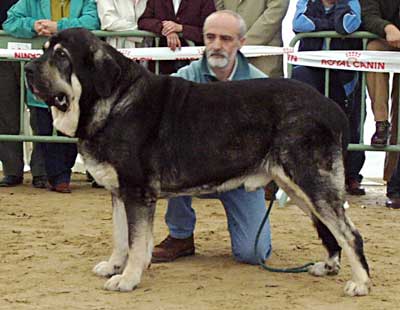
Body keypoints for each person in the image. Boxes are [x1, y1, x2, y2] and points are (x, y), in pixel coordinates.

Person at [152, 10, 271, 265]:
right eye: (210, 37)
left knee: (254, 254)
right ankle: (180, 235)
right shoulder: (185, 78)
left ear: (242, 43)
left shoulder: (260, 85)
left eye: (226, 39)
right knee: (170, 160)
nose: (217, 45)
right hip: (192, 173)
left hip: (241, 178)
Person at [3, 0, 100, 193]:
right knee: (43, 124)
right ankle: (57, 177)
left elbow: (92, 23)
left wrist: (59, 27)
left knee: (72, 125)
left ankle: (61, 174)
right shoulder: (31, 1)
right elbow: (10, 22)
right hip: (43, 73)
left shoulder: (86, 1)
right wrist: (33, 25)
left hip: (72, 74)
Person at [291, 0, 366, 196]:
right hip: (310, 69)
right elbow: (299, 24)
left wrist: (322, 22)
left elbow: (348, 25)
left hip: (344, 73)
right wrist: (331, 22)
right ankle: (305, 174)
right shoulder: (305, 2)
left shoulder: (352, 2)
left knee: (349, 121)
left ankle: (351, 175)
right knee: (306, 121)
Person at [0, 0, 47, 188]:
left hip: (40, 53)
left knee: (40, 115)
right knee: (6, 116)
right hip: (4, 51)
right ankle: (11, 170)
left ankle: (41, 171)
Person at [360, 0, 400, 207]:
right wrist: (387, 27)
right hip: (385, 41)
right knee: (373, 50)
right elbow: (367, 15)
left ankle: (394, 184)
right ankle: (381, 122)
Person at [215, 0, 289, 78]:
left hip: (264, 54)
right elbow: (219, 9)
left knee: (264, 87)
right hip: (230, 54)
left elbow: (276, 11)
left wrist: (243, 43)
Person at [137, 0, 216, 74]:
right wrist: (165, 28)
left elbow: (211, 31)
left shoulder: (205, 1)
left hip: (194, 66)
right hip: (162, 64)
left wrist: (181, 28)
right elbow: (143, 21)